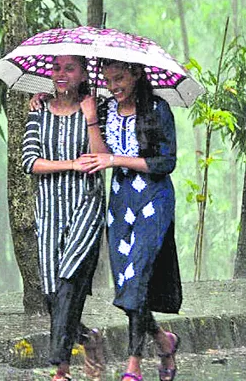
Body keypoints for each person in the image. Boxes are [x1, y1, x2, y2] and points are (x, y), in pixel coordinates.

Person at [78, 59, 182, 381]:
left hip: (154, 200)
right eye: (108, 80)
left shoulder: (159, 109)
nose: (113, 86)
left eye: (119, 78)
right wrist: (92, 119)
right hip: (121, 201)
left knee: (138, 278)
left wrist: (117, 159)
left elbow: (167, 161)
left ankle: (133, 365)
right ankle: (163, 341)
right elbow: (98, 156)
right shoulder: (107, 109)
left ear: (137, 74)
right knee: (126, 285)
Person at [22, 55, 106, 381]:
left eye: (69, 68)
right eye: (56, 68)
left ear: (83, 73)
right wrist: (70, 164)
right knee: (51, 290)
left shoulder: (94, 107)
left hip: (86, 202)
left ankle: (61, 367)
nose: (61, 74)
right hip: (48, 208)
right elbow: (30, 161)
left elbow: (101, 157)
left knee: (70, 277)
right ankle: (87, 338)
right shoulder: (37, 110)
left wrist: (91, 118)